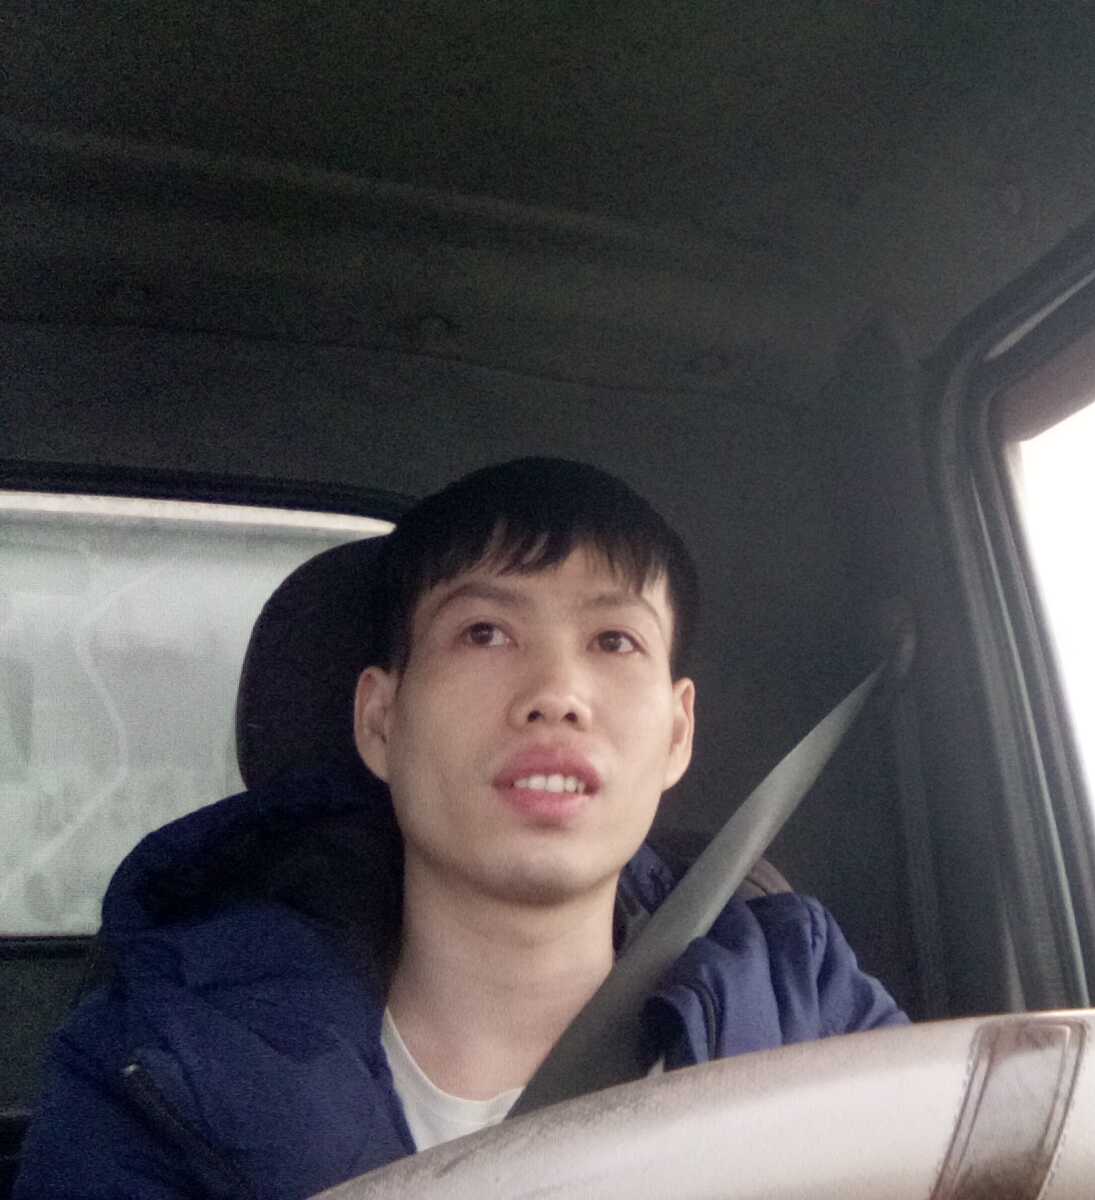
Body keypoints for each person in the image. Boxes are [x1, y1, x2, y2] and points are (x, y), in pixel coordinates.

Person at [16, 457, 905, 1199]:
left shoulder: (799, 1001)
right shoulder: (160, 1061)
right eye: (484, 633)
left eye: (614, 641)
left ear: (678, 734)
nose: (556, 693)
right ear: (380, 721)